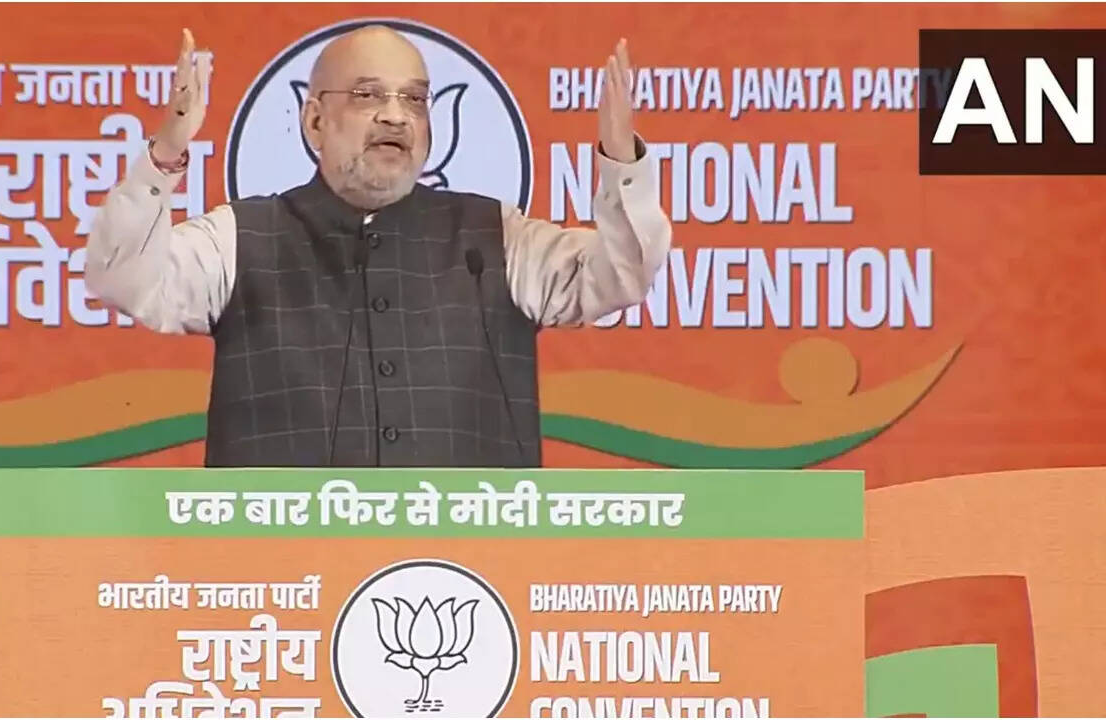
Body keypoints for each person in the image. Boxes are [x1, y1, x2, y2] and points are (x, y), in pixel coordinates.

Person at [86, 26, 671, 468]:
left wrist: (621, 162)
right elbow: (123, 280)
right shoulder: (241, 237)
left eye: (414, 100)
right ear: (315, 121)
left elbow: (621, 274)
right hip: (281, 568)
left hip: (469, 565)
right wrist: (165, 157)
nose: (396, 116)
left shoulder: (494, 235)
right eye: (368, 95)